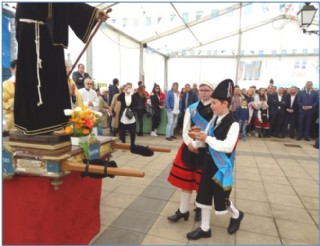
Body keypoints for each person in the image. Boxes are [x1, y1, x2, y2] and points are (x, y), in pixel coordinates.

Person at [14, 3, 108, 135]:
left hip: (50, 36)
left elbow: (66, 5)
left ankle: (53, 122)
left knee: (51, 80)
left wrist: (93, 13)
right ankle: (36, 123)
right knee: (35, 81)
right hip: (32, 34)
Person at [186, 79, 244, 240]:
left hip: (222, 168)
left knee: (222, 200)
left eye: (214, 103)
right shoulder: (214, 119)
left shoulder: (234, 124)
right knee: (204, 195)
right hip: (208, 163)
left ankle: (237, 215)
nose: (211, 106)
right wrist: (196, 142)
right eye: (211, 103)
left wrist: (207, 139)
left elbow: (227, 146)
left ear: (225, 103)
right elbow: (206, 138)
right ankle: (205, 228)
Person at [167, 81, 214, 223]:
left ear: (212, 91)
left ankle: (199, 209)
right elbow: (185, 128)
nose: (204, 92)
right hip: (189, 150)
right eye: (201, 90)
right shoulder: (191, 108)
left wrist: (197, 143)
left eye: (207, 90)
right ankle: (183, 211)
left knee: (202, 184)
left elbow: (213, 132)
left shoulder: (216, 108)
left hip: (207, 150)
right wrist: (189, 143)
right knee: (186, 183)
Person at [3, 60, 17, 131]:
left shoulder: (28, 84)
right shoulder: (5, 84)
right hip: (12, 118)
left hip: (26, 119)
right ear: (11, 69)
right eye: (17, 67)